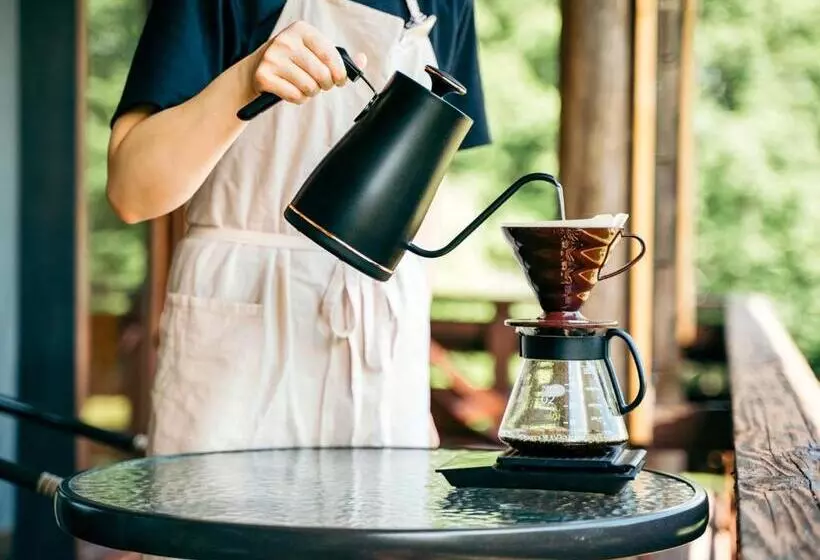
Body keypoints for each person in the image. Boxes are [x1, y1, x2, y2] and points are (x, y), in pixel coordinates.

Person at [107, 0, 491, 457]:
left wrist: (411, 388)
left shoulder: (446, 4)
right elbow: (132, 190)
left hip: (384, 360)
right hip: (240, 350)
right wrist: (243, 82)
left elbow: (423, 194)